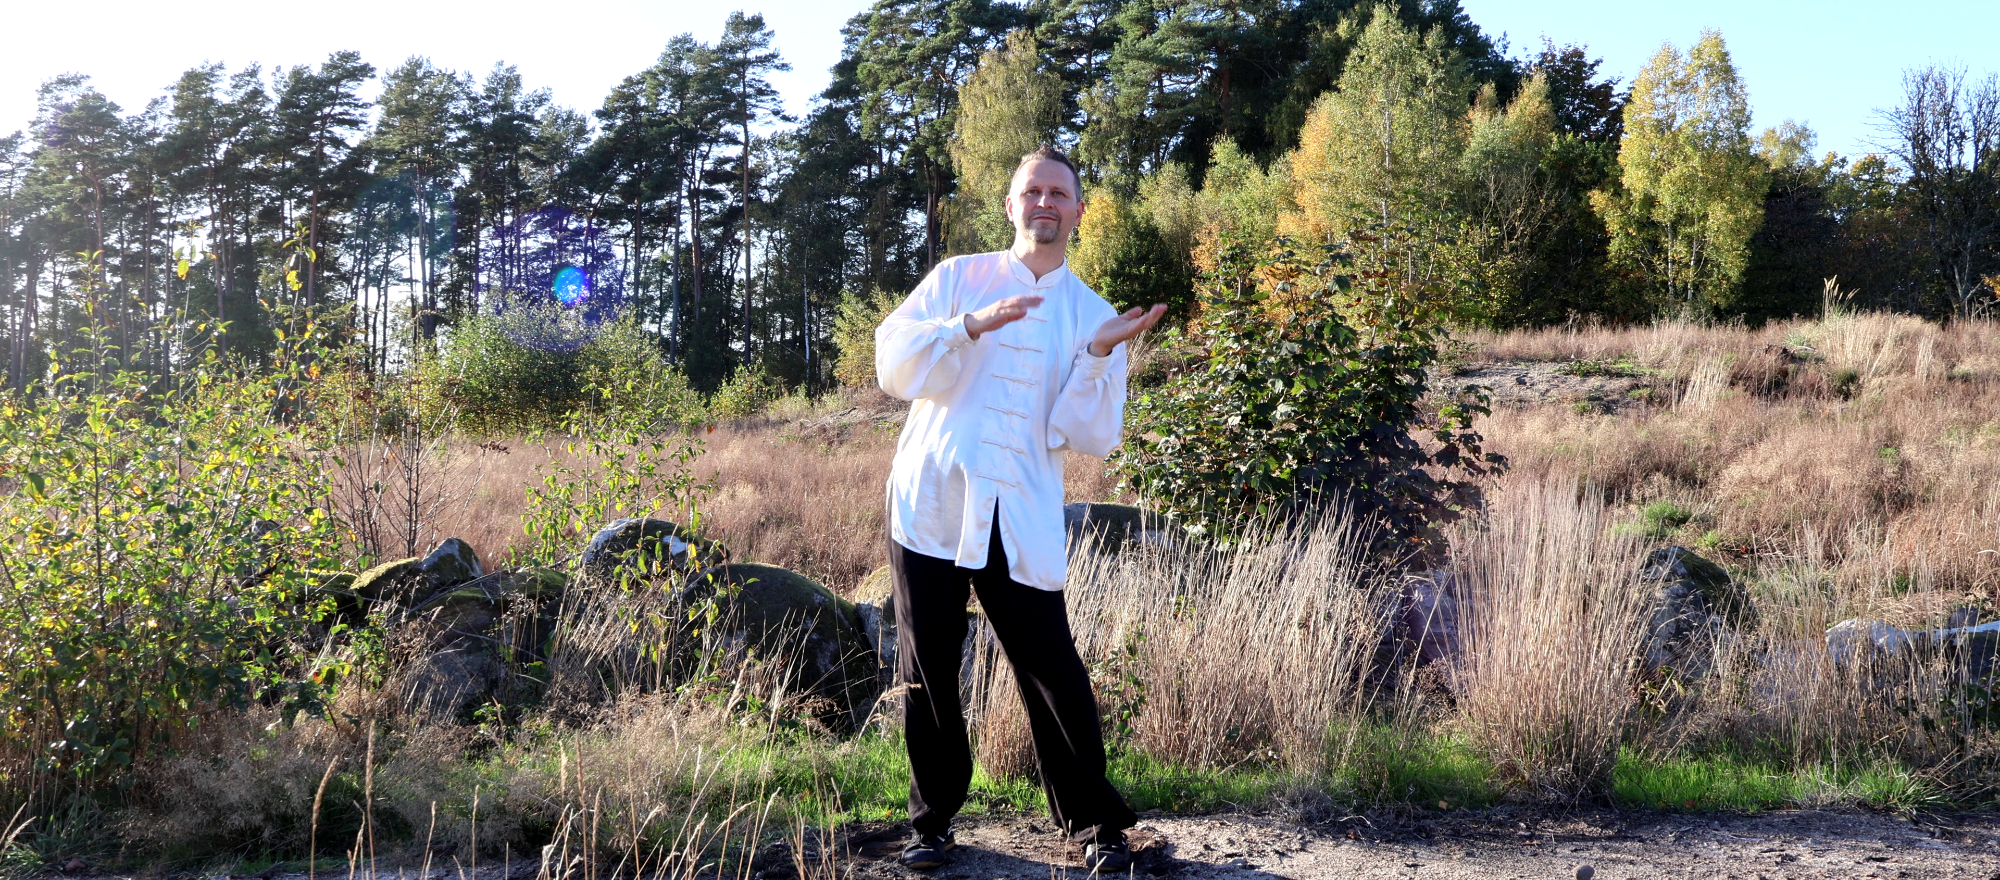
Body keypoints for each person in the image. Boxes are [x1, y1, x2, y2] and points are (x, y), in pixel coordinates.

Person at [875, 144, 1167, 873]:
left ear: (1077, 210)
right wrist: (968, 326)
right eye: (1031, 191)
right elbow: (893, 361)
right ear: (1010, 206)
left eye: (1058, 193)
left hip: (1022, 515)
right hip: (934, 504)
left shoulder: (1095, 315)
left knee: (1052, 669)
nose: (1044, 203)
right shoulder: (956, 278)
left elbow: (1090, 434)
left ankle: (1095, 825)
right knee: (929, 666)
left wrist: (1098, 355)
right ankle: (932, 823)